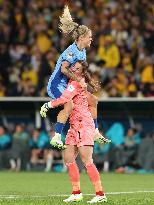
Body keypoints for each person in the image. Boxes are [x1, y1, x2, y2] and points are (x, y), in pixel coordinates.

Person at [40, 61, 107, 203]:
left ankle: (100, 194)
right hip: (74, 126)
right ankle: (76, 193)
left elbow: (64, 99)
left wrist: (48, 104)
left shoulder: (76, 83)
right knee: (69, 159)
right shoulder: (76, 82)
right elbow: (91, 100)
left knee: (87, 161)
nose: (73, 70)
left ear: (82, 72)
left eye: (77, 68)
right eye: (73, 67)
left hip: (84, 125)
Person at [44, 5, 106, 149]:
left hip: (70, 85)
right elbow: (64, 69)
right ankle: (56, 137)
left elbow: (82, 70)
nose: (91, 40)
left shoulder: (82, 51)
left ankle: (95, 131)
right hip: (57, 84)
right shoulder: (71, 52)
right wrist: (79, 80)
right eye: (89, 37)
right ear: (82, 37)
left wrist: (90, 82)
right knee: (69, 105)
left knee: (93, 100)